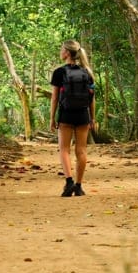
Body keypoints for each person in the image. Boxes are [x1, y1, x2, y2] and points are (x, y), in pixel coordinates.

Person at [50, 39, 96, 197]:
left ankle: (69, 182)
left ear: (67, 53)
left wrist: (52, 118)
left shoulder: (59, 72)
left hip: (66, 115)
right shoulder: (87, 72)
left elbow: (55, 98)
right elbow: (92, 98)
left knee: (64, 149)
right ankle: (79, 186)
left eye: (62, 49)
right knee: (81, 150)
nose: (60, 52)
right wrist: (92, 118)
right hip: (83, 114)